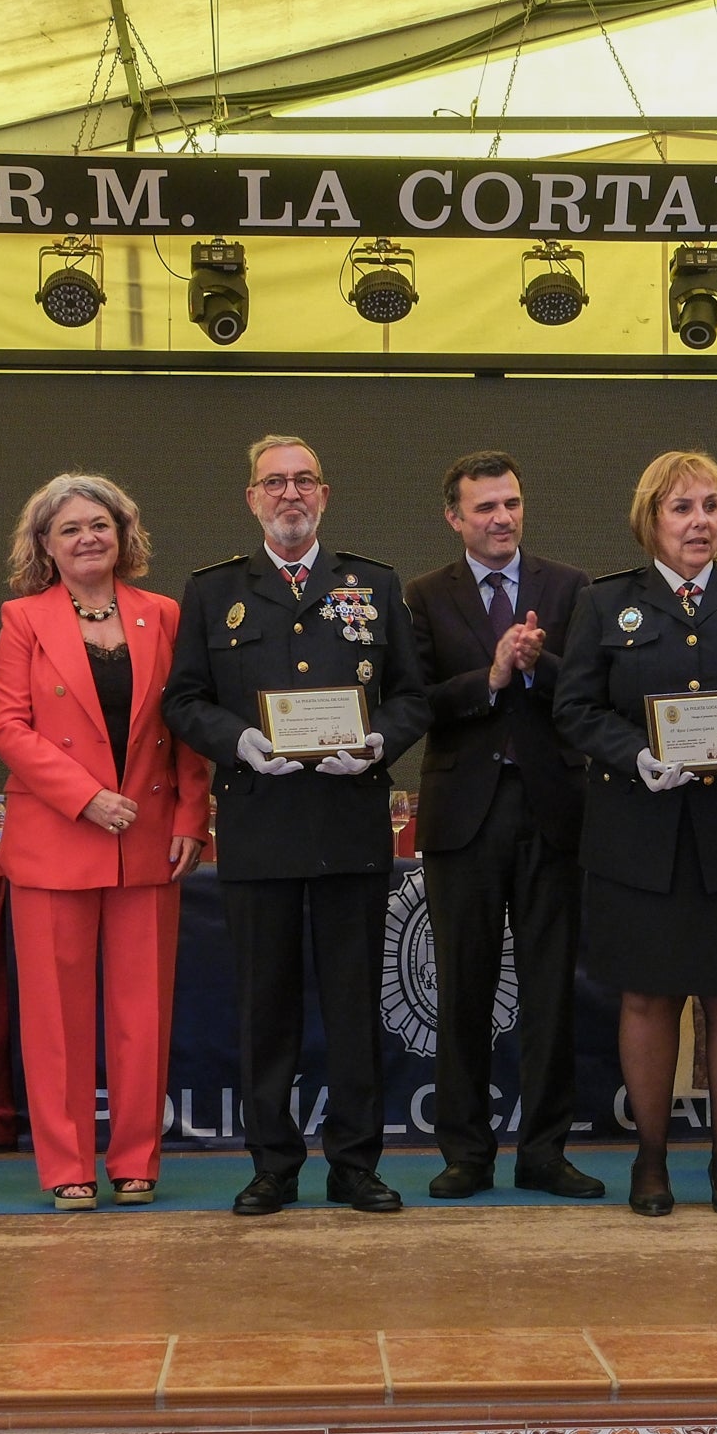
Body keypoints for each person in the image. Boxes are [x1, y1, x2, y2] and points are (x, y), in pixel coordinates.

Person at [165, 435, 430, 1216]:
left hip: (349, 826)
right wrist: (237, 743)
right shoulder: (214, 592)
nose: (290, 494)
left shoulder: (374, 584)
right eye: (273, 483)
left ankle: (354, 1165)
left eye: (303, 481)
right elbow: (183, 700)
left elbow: (412, 697)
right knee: (266, 1009)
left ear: (324, 494)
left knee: (354, 1009)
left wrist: (379, 742)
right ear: (251, 498)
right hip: (258, 826)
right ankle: (272, 1164)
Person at [556, 451, 717, 1218]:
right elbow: (573, 711)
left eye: (710, 507)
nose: (699, 522)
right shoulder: (606, 605)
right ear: (651, 520)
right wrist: (636, 757)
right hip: (640, 832)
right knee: (648, 998)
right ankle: (648, 1160)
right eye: (681, 509)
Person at [0, 473, 209, 1213]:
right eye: (69, 529)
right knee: (55, 1018)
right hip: (57, 837)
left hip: (149, 839)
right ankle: (66, 1167)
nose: (87, 538)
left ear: (123, 535)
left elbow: (186, 725)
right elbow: (6, 727)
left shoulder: (165, 614)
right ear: (44, 547)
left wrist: (190, 819)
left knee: (141, 1014)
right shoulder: (23, 618)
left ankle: (137, 1160)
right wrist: (85, 798)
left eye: (99, 525)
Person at [404, 450, 600, 1201]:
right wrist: (488, 676)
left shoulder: (568, 587)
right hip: (465, 816)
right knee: (463, 987)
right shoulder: (424, 595)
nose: (501, 518)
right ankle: (465, 1153)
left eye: (511, 503)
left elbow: (588, 693)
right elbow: (415, 702)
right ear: (454, 517)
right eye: (484, 507)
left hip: (552, 809)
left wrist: (534, 661)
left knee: (551, 990)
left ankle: (545, 1152)